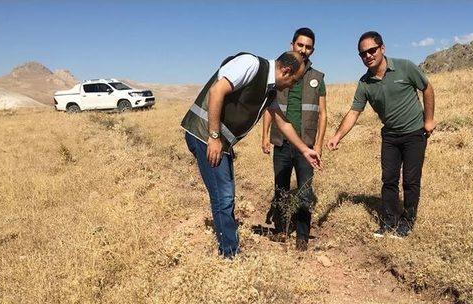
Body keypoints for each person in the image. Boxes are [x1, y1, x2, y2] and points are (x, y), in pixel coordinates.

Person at [181, 51, 321, 258]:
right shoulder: (251, 65)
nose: (293, 85)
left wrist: (304, 149)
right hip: (204, 136)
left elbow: (281, 121)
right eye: (295, 80)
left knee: (226, 194)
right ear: (286, 71)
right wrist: (213, 136)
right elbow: (216, 91)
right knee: (224, 195)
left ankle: (228, 246)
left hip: (219, 142)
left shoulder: (269, 90)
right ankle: (229, 254)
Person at [327, 31, 436, 237]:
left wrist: (428, 120)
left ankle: (408, 222)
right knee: (389, 179)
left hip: (414, 133)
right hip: (390, 137)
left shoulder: (404, 67)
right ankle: (390, 221)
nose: (368, 56)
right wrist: (337, 136)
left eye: (372, 50)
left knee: (411, 180)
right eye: (363, 54)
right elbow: (354, 112)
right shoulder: (365, 83)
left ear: (382, 49)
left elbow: (427, 88)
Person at [261, 27, 327, 251]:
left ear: (313, 50)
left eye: (308, 47)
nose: (304, 49)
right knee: (280, 188)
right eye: (300, 45)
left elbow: (323, 114)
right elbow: (270, 109)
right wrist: (265, 137)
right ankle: (280, 231)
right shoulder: (281, 72)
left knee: (305, 190)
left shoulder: (317, 78)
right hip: (281, 142)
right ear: (292, 45)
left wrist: (317, 144)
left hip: (305, 145)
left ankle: (301, 237)